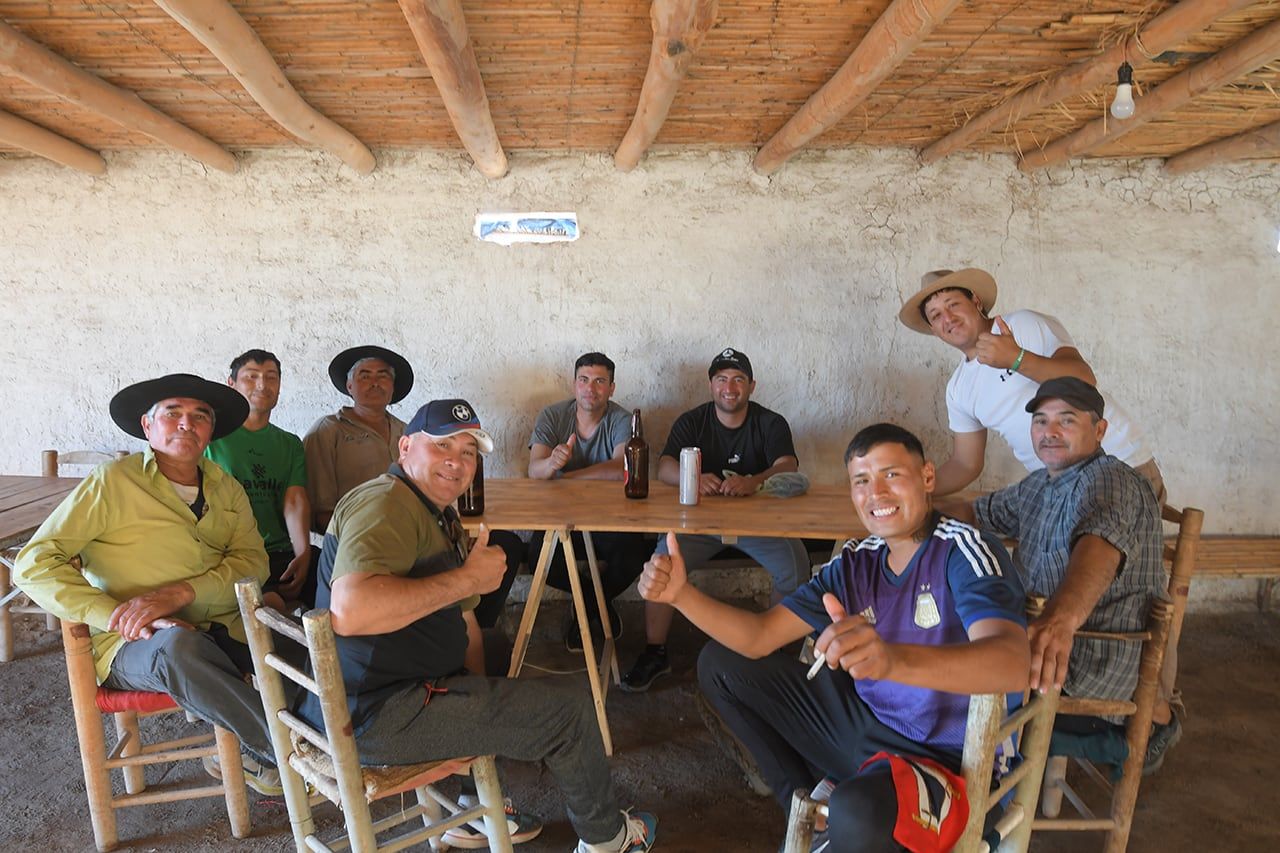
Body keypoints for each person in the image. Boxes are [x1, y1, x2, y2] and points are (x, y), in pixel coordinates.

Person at [639, 423, 1028, 852]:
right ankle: (802, 803)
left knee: (860, 810)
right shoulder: (856, 563)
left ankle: (844, 815)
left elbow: (1012, 663)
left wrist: (893, 661)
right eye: (862, 481)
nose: (876, 493)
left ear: (928, 478)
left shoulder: (963, 552)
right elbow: (759, 637)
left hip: (946, 766)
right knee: (722, 666)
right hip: (868, 734)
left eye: (892, 475)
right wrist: (681, 595)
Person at [306, 398, 657, 852]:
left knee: (500, 649)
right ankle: (609, 841)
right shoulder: (384, 504)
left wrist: (475, 687)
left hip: (392, 686)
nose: (457, 461)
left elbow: (465, 617)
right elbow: (352, 612)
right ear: (406, 446)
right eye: (443, 446)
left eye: (469, 451)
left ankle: (475, 807)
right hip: (379, 712)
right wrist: (466, 579)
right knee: (568, 714)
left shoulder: (431, 508)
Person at [14, 373, 280, 792]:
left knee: (304, 637)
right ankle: (291, 754)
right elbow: (32, 564)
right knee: (179, 648)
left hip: (224, 629)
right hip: (136, 646)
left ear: (211, 430)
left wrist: (183, 593)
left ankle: (268, 749)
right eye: (172, 413)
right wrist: (120, 616)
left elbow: (254, 562)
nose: (186, 424)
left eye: (200, 416)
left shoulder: (227, 487)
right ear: (147, 426)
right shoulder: (113, 482)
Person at [938, 377, 1177, 773]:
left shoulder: (1109, 479)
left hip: (1085, 666)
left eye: (1066, 420)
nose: (1049, 431)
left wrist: (1060, 621)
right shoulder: (1041, 484)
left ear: (1099, 430)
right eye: (1040, 420)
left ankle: (970, 813)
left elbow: (1099, 544)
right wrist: (910, 505)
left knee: (942, 693)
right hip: (1040, 645)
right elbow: (977, 513)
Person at [621, 348, 809, 693]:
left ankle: (777, 654)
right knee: (662, 563)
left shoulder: (770, 422)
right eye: (722, 379)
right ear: (711, 385)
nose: (729, 387)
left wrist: (755, 481)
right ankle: (655, 652)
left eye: (738, 379)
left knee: (795, 566)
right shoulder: (692, 421)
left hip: (758, 524)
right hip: (698, 525)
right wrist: (693, 477)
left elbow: (788, 466)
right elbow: (664, 467)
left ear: (751, 386)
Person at [898, 268, 1164, 502]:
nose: (948, 318)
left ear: (976, 301)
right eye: (936, 315)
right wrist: (917, 487)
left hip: (1118, 465)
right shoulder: (958, 389)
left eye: (954, 304)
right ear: (933, 329)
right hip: (1057, 487)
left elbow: (1083, 378)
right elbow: (966, 463)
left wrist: (1016, 359)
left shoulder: (1022, 324)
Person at [527, 352, 653, 650]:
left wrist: (567, 477)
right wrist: (552, 463)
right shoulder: (553, 416)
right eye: (583, 380)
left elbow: (623, 467)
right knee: (538, 560)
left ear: (611, 388)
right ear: (574, 384)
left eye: (599, 381)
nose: (590, 388)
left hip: (610, 519)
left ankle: (588, 608)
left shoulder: (622, 419)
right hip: (559, 518)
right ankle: (595, 604)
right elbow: (535, 470)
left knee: (637, 554)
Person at [206, 349, 314, 606]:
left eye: (271, 377)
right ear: (231, 384)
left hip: (279, 553)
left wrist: (303, 553)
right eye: (251, 377)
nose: (262, 385)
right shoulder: (210, 438)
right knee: (270, 604)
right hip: (229, 555)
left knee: (337, 578)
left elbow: (294, 501)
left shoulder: (289, 444)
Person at [303, 345, 414, 534]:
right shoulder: (328, 431)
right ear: (349, 387)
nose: (375, 382)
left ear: (393, 386)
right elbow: (320, 512)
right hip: (351, 543)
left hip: (406, 537)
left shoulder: (406, 432)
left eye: (383, 375)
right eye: (364, 376)